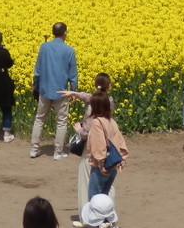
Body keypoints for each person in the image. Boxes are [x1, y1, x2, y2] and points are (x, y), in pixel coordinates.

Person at [60, 72, 117, 210]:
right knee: (107, 182)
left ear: (95, 84)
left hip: (92, 147)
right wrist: (76, 93)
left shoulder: (94, 105)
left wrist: (78, 129)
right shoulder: (108, 101)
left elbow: (86, 132)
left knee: (86, 179)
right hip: (108, 144)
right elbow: (90, 98)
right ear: (108, 86)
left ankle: (88, 215)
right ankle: (108, 212)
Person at [30, 22, 78, 159]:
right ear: (65, 34)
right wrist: (73, 91)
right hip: (61, 91)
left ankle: (34, 149)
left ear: (52, 33)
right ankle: (58, 152)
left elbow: (37, 70)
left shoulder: (44, 47)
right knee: (61, 122)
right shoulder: (69, 50)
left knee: (39, 119)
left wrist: (36, 85)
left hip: (44, 89)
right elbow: (72, 73)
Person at [85, 92, 128, 199]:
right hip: (113, 165)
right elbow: (120, 141)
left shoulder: (96, 122)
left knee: (94, 200)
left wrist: (101, 164)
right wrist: (122, 159)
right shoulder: (111, 121)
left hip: (102, 166)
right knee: (104, 198)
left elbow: (99, 144)